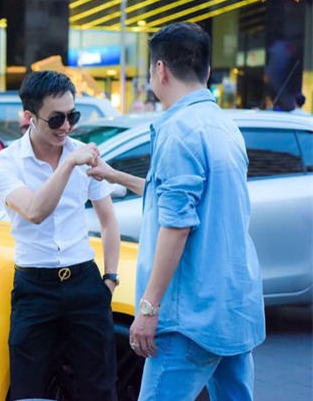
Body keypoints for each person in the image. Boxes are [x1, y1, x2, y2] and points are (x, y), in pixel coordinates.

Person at [88, 22, 265, 401]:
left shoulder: (178, 131)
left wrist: (148, 309)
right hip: (232, 304)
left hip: (190, 315)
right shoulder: (224, 126)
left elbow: (177, 225)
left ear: (160, 70)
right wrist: (114, 175)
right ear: (206, 70)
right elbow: (177, 196)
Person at [0, 70, 121, 400]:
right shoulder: (5, 165)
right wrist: (68, 164)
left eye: (72, 116)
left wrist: (109, 280)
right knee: (28, 387)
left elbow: (108, 221)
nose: (66, 127)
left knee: (99, 386)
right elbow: (35, 211)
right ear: (29, 117)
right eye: (57, 118)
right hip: (35, 286)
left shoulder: (84, 154)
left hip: (85, 281)